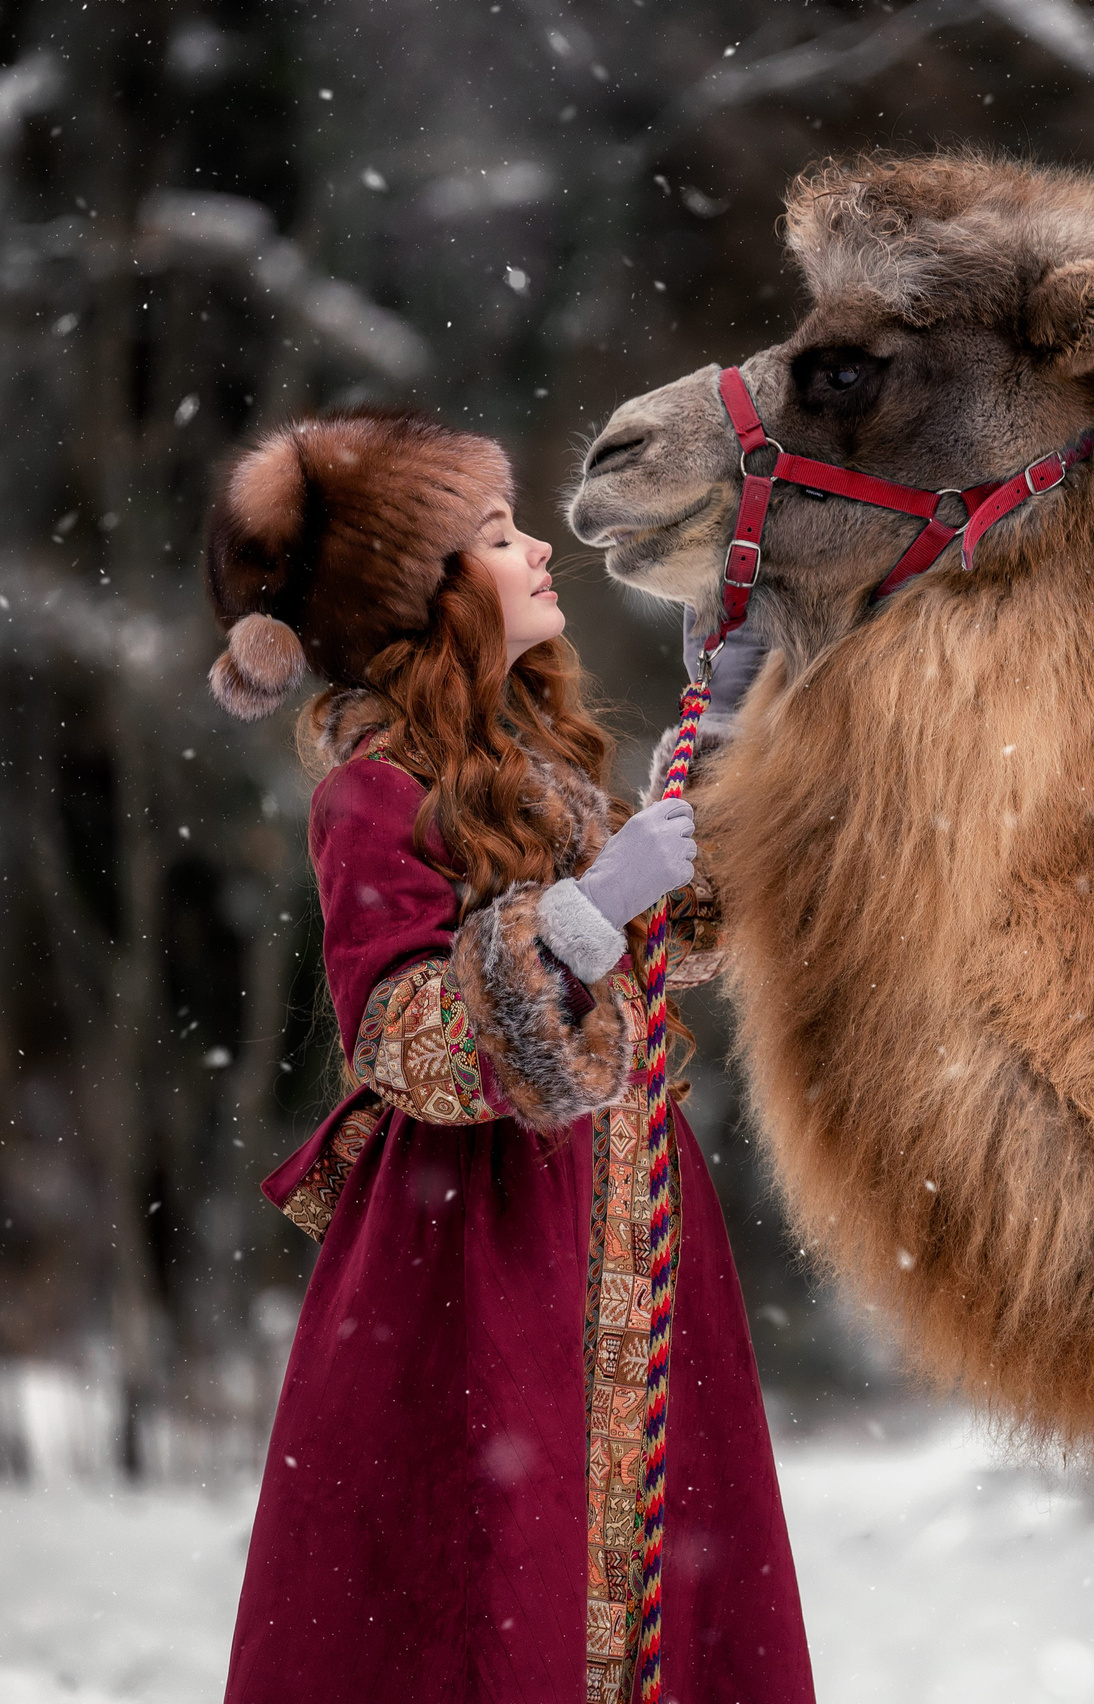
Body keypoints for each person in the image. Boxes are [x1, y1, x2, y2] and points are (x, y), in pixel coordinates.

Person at [202, 409, 815, 1704]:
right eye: (495, 535)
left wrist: (726, 785)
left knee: (653, 1589)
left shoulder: (537, 770)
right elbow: (407, 1041)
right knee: (495, 1591)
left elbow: (652, 957)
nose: (540, 548)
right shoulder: (369, 793)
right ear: (418, 596)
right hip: (474, 1264)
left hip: (627, 1222)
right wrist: (591, 910)